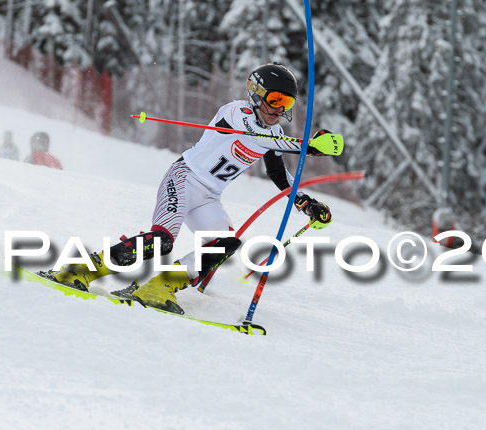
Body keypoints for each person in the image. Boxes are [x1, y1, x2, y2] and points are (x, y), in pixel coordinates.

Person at [49, 63, 342, 312]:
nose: (280, 110)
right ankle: (77, 271)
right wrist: (308, 146)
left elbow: (280, 176)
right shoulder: (236, 112)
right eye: (276, 99)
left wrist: (307, 203)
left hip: (209, 196)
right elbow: (257, 137)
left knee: (226, 243)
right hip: (184, 178)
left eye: (287, 104)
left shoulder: (276, 134)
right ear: (256, 94)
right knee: (162, 240)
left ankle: (159, 288)